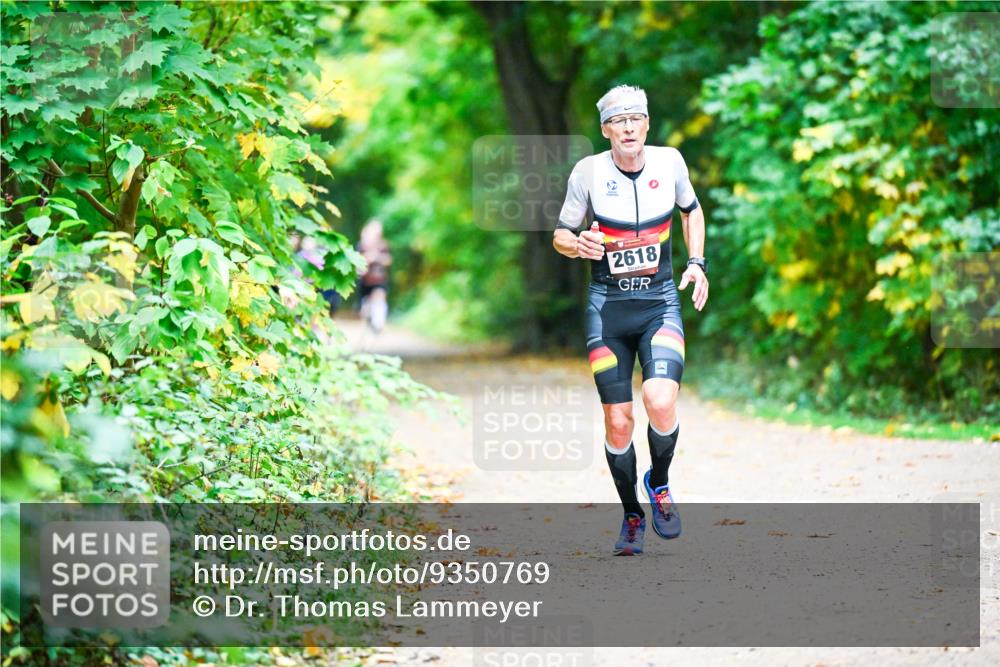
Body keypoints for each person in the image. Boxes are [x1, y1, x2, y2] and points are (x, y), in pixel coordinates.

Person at [553, 85, 709, 555]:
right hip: (608, 309)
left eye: (635, 119)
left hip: (659, 302)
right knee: (618, 423)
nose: (627, 127)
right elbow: (561, 232)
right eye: (617, 121)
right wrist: (576, 243)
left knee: (659, 399)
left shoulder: (671, 162)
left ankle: (658, 483)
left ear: (646, 125)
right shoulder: (589, 173)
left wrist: (697, 262)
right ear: (605, 131)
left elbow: (692, 212)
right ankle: (632, 515)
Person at [357, 219, 392, 333]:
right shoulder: (362, 245)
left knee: (379, 296)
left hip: (379, 280)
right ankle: (368, 330)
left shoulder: (383, 245)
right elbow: (356, 262)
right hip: (365, 280)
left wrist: (377, 258)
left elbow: (389, 260)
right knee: (365, 310)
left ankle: (378, 323)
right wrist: (369, 258)